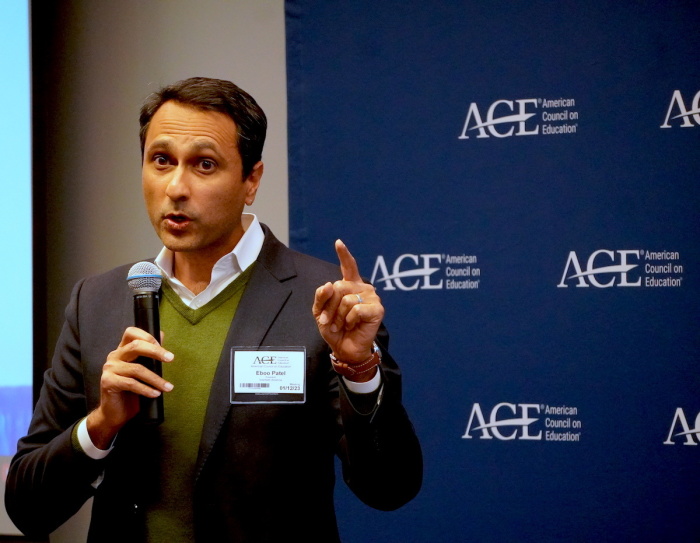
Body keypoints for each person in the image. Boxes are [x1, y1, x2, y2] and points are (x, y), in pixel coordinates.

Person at [4, 77, 422, 542]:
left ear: (251, 180)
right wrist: (100, 426)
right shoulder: (97, 301)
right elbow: (27, 508)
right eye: (161, 161)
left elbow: (390, 487)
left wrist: (360, 368)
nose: (176, 187)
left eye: (204, 165)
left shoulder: (324, 302)